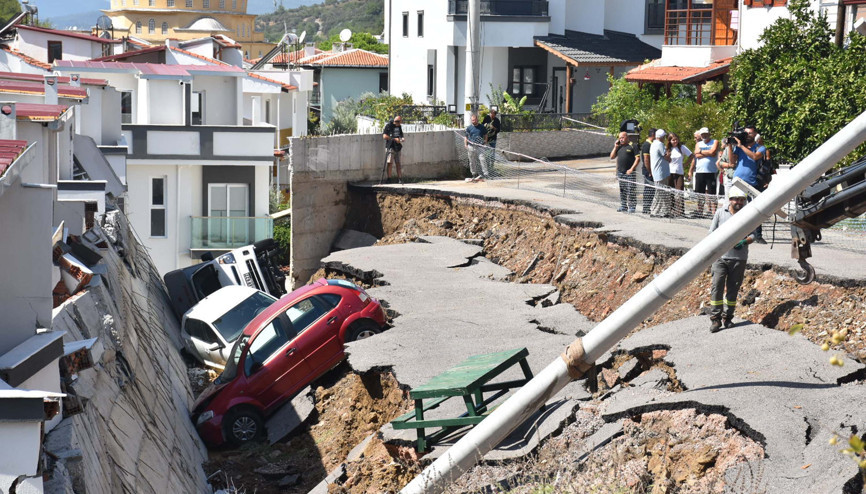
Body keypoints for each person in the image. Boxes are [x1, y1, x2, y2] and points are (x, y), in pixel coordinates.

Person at [708, 187, 757, 333]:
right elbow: (711, 233)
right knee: (717, 287)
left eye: (742, 200)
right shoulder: (720, 213)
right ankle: (715, 319)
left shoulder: (748, 215)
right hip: (720, 258)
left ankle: (728, 317)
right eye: (736, 199)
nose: (739, 202)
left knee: (733, 290)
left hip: (738, 259)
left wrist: (744, 241)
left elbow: (754, 235)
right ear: (730, 200)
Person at [728, 124, 767, 243]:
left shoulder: (760, 147)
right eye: (746, 133)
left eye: (750, 133)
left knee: (755, 209)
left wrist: (741, 146)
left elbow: (755, 157)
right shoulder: (740, 147)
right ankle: (735, 232)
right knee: (736, 207)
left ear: (755, 134)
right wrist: (730, 145)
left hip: (752, 182)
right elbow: (732, 161)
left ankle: (758, 235)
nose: (747, 135)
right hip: (737, 181)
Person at [688, 127, 720, 218]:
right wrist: (708, 153)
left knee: (712, 193)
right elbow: (696, 154)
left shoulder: (715, 142)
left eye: (706, 134)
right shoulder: (698, 144)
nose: (704, 136)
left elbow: (713, 152)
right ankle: (700, 212)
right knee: (699, 193)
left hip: (711, 171)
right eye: (702, 135)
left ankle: (714, 213)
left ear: (709, 134)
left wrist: (701, 151)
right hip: (700, 171)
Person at [610, 131, 640, 213]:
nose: (621, 139)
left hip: (630, 173)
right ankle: (623, 206)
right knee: (622, 190)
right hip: (621, 172)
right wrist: (615, 147)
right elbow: (612, 157)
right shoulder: (619, 146)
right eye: (620, 138)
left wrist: (631, 169)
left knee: (631, 190)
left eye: (622, 137)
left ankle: (632, 206)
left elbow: (637, 159)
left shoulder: (633, 146)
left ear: (627, 137)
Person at [663, 132, 692, 217]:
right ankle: (671, 210)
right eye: (673, 140)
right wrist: (667, 156)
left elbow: (691, 155)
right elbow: (664, 159)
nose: (675, 141)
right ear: (669, 141)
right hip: (669, 172)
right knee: (670, 191)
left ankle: (680, 211)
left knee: (679, 191)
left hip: (679, 172)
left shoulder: (682, 148)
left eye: (676, 139)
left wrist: (685, 164)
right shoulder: (667, 149)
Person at [649, 129, 671, 217]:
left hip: (658, 172)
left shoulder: (653, 144)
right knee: (661, 193)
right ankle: (656, 211)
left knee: (662, 192)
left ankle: (663, 211)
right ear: (662, 137)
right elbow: (666, 156)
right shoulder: (660, 144)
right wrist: (669, 153)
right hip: (661, 173)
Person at [464, 113, 488, 182]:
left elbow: (486, 134)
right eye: (472, 120)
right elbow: (466, 137)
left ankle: (485, 174)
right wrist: (465, 144)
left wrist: (485, 141)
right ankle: (474, 174)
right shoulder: (469, 128)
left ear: (477, 120)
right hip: (471, 146)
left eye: (474, 120)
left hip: (480, 146)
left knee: (482, 159)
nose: (473, 121)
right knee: (472, 160)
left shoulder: (482, 127)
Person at [382, 115, 405, 183]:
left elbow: (401, 134)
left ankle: (400, 178)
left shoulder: (399, 127)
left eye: (400, 122)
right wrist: (394, 139)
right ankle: (389, 178)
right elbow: (384, 136)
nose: (399, 123)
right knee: (390, 163)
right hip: (390, 147)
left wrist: (401, 138)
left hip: (397, 147)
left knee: (398, 163)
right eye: (398, 122)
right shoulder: (389, 126)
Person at [640, 128, 656, 214]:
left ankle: (648, 207)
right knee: (648, 189)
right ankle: (646, 208)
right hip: (648, 171)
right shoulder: (647, 145)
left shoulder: (652, 144)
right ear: (653, 135)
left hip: (651, 170)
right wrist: (650, 171)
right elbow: (646, 159)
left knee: (651, 189)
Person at [482, 109, 501, 175]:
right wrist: (485, 125)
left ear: (495, 115)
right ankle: (487, 167)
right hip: (486, 139)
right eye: (491, 115)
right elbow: (482, 125)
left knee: (492, 153)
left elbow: (498, 130)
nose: (492, 116)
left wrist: (493, 128)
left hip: (493, 139)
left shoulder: (497, 120)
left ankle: (491, 167)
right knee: (486, 153)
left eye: (493, 115)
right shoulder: (486, 118)